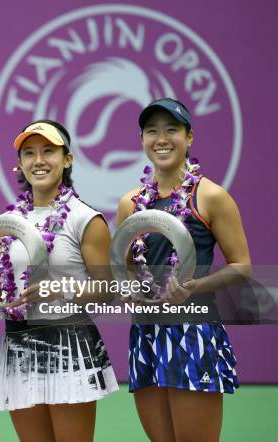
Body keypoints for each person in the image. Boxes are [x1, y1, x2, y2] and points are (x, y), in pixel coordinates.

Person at [0, 120, 119, 442]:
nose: (38, 160)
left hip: (70, 343)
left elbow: (108, 291)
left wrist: (60, 290)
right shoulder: (10, 221)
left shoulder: (86, 219)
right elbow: (12, 282)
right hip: (18, 342)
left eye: (48, 151)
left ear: (67, 159)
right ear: (19, 164)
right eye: (29, 153)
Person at [116, 98, 251, 442]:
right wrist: (128, 289)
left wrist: (193, 286)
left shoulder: (211, 196)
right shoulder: (130, 203)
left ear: (189, 137)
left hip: (194, 335)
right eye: (152, 131)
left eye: (172, 130)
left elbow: (242, 266)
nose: (161, 139)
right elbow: (122, 268)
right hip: (145, 334)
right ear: (142, 140)